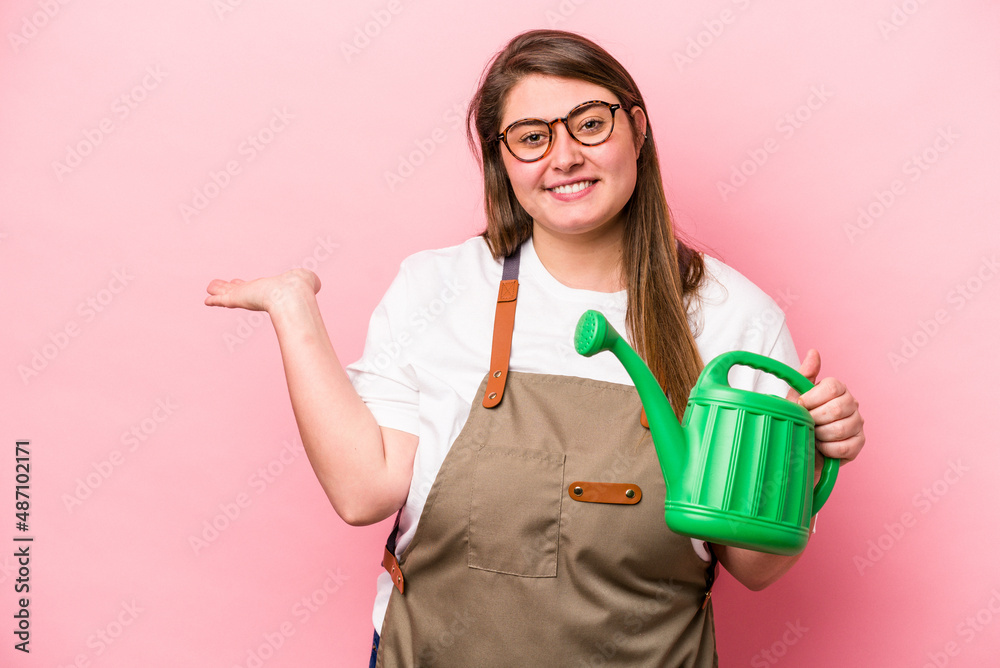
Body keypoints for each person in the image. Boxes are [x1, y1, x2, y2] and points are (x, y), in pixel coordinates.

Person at [205, 29, 865, 668]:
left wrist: (807, 460)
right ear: (502, 159)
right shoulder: (439, 289)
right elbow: (363, 490)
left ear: (637, 127)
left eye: (589, 124)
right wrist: (295, 313)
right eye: (531, 138)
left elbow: (754, 568)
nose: (564, 156)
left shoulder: (732, 319)